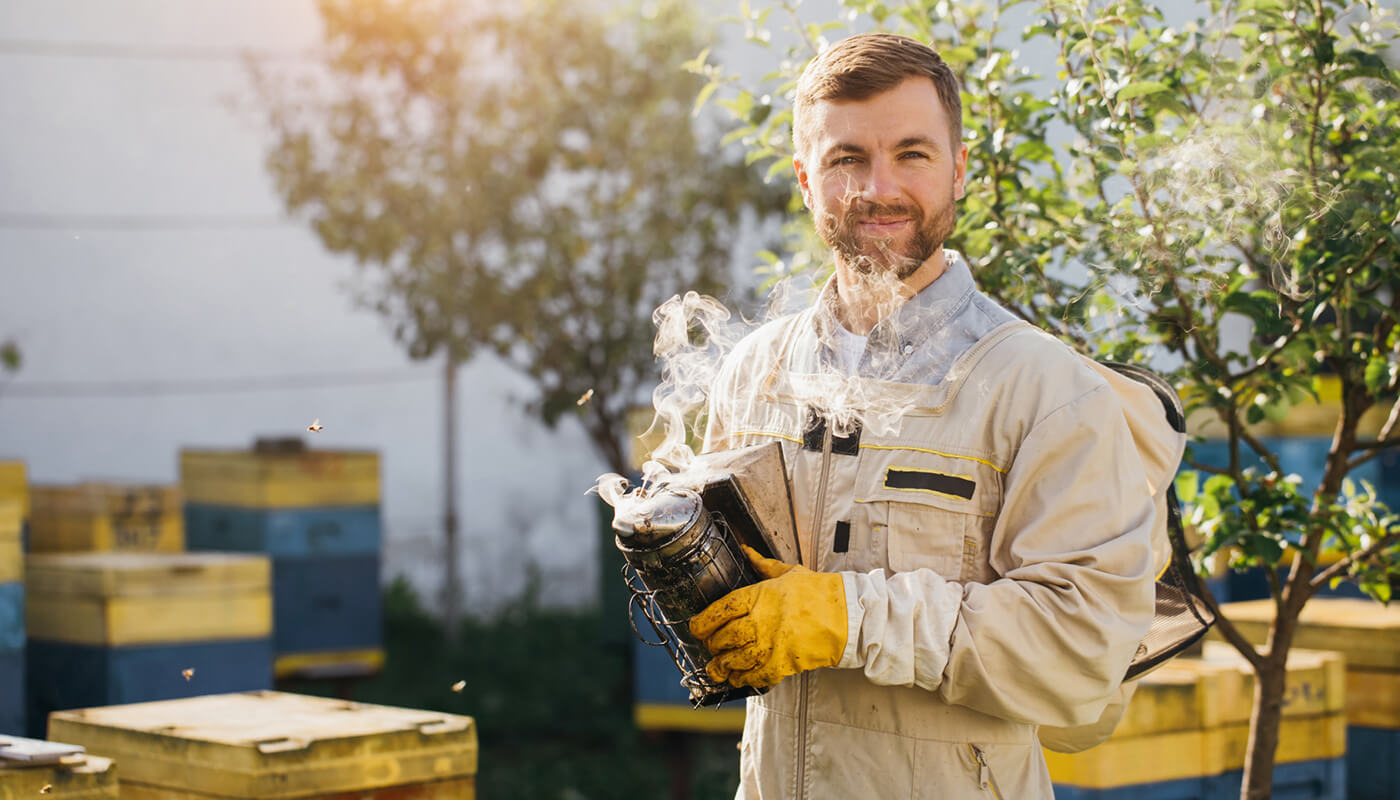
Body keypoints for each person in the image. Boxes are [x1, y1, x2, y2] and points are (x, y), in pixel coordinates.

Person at [691, 33, 1160, 798]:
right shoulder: (756, 374)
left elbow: (1080, 652)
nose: (879, 187)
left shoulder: (1042, 387)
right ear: (807, 179)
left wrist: (849, 620)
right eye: (847, 159)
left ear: (960, 170)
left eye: (912, 153)